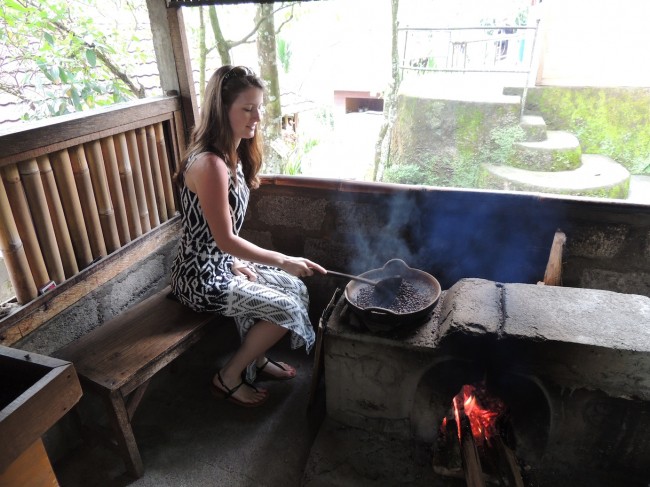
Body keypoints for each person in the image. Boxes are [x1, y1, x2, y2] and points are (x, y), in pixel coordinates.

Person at [170, 65, 325, 408]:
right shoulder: (210, 164)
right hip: (198, 278)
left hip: (223, 264)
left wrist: (237, 261)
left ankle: (257, 358)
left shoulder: (234, 155)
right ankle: (228, 376)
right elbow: (224, 239)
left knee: (295, 287)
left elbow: (221, 242)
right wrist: (284, 260)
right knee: (285, 308)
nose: (257, 117)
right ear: (222, 110)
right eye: (247, 108)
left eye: (259, 107)